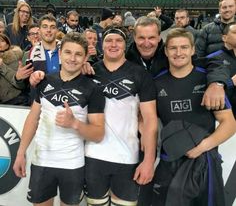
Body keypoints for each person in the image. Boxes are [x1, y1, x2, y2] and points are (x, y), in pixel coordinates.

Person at [13, 32, 105, 206]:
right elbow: (33, 119)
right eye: (68, 52)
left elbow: (98, 133)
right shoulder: (44, 81)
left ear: (86, 57)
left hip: (72, 165)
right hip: (42, 161)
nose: (72, 58)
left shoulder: (93, 89)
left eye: (78, 54)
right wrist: (20, 153)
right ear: (60, 53)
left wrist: (75, 123)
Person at [152, 28, 236, 205]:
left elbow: (229, 123)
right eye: (173, 48)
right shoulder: (157, 82)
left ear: (192, 50)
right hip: (170, 161)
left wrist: (203, 146)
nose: (179, 53)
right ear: (166, 51)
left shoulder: (210, 81)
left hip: (204, 161)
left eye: (184, 47)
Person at [84, 27, 158, 206]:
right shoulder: (88, 72)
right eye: (109, 40)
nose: (113, 44)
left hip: (127, 157)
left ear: (126, 45)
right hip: (93, 156)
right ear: (102, 44)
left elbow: (150, 120)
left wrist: (149, 160)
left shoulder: (140, 74)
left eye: (118, 40)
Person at [0, 33, 33, 105]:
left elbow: (18, 82)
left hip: (17, 100)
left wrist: (2, 66)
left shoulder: (14, 57)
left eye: (1, 41)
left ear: (8, 44)